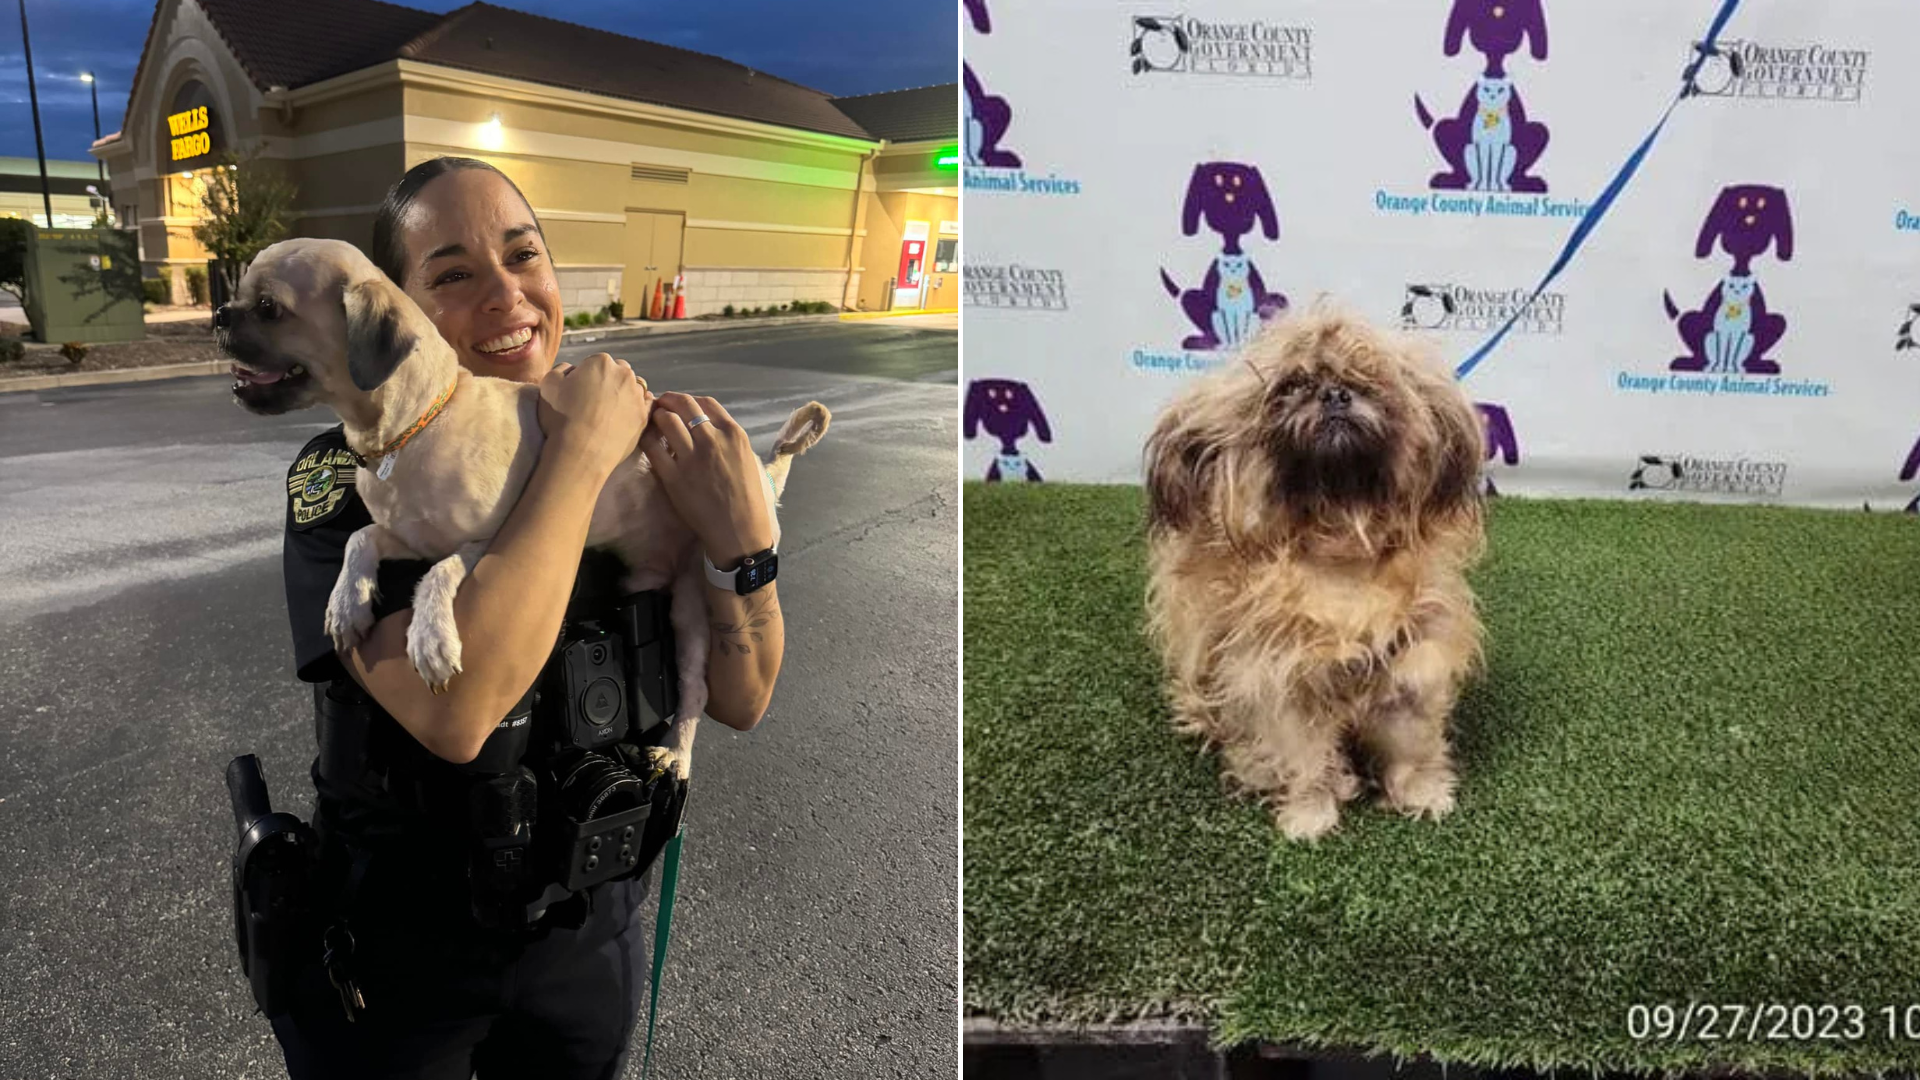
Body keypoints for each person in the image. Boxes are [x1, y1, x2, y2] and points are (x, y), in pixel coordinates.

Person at [269, 156, 785, 1078]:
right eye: (455, 274)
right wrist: (580, 452)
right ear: (396, 313)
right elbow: (459, 712)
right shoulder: (358, 475)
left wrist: (744, 544)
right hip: (401, 951)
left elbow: (744, 697)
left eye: (523, 255)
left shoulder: (640, 457)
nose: (508, 296)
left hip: (588, 929)